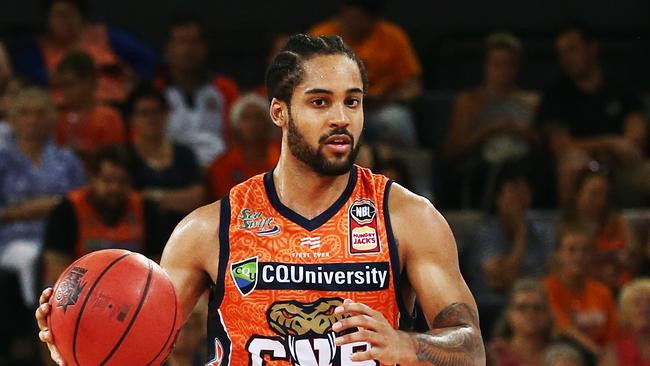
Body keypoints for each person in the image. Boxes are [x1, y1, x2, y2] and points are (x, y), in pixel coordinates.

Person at [37, 34, 485, 365]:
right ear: (279, 111)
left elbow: (471, 349)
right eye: (319, 102)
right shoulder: (209, 228)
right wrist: (80, 340)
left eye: (353, 102)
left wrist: (406, 345)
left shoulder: (406, 217)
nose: (341, 118)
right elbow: (139, 342)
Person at [536, 24, 649, 208]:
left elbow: (636, 136)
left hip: (619, 166)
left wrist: (618, 150)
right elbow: (559, 145)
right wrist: (609, 143)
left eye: (572, 49)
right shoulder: (555, 95)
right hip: (583, 167)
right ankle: (572, 230)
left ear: (592, 48)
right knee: (571, 164)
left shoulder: (620, 88)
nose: (566, 58)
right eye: (562, 53)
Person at [0, 87, 85, 306]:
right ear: (13, 119)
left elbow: (82, 202)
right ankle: (39, 317)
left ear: (50, 118)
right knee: (34, 257)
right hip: (14, 239)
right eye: (25, 113)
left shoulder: (66, 159)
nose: (32, 120)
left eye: (39, 113)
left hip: (62, 236)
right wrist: (38, 208)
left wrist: (55, 207)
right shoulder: (3, 159)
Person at [40, 144, 163, 288]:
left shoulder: (146, 209)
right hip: (79, 293)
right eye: (107, 181)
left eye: (122, 182)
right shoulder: (66, 210)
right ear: (92, 178)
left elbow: (158, 268)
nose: (114, 188)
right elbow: (56, 269)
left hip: (133, 292)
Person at [309, 0, 422, 146]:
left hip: (380, 108)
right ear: (345, 8)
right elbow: (307, 82)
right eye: (361, 13)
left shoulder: (393, 36)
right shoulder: (321, 36)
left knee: (397, 119)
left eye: (371, 15)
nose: (366, 22)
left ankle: (399, 166)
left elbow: (413, 86)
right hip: (335, 106)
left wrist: (389, 97)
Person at [465, 163, 554, 339]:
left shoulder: (542, 232)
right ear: (498, 198)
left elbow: (551, 275)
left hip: (535, 304)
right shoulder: (486, 234)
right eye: (514, 190)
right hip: (492, 309)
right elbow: (501, 281)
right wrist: (521, 232)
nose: (520, 198)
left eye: (525, 191)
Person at [10, 0, 158, 103]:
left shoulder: (106, 36)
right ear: (48, 19)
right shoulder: (38, 48)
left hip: (112, 104)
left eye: (69, 14)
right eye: (57, 15)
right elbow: (22, 72)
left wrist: (135, 79)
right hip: (61, 112)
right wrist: (47, 78)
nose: (64, 21)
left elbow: (148, 59)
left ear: (80, 15)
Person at [125, 83, 206, 244]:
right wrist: (175, 198)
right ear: (131, 119)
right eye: (144, 113)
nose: (151, 119)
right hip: (137, 241)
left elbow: (198, 198)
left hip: (182, 238)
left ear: (166, 114)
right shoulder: (124, 156)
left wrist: (152, 197)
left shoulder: (184, 155)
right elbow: (124, 201)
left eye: (156, 112)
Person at [155, 17, 239, 167]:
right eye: (181, 42)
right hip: (170, 169)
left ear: (205, 47)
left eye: (194, 42)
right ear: (168, 48)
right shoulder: (155, 90)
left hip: (219, 168)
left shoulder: (225, 89)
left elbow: (238, 137)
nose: (188, 50)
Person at [543, 222, 618, 357]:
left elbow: (612, 339)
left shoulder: (602, 292)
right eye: (571, 250)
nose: (579, 257)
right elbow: (565, 332)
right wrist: (601, 357)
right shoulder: (546, 290)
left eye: (585, 250)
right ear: (558, 254)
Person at [563, 168, 638, 293]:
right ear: (578, 194)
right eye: (593, 194)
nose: (599, 201)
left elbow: (634, 257)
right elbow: (562, 266)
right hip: (583, 290)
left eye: (603, 194)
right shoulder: (566, 227)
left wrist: (625, 261)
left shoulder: (618, 222)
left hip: (621, 287)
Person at [53, 51, 126, 163]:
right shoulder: (57, 119)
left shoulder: (109, 118)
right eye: (61, 86)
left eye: (69, 84)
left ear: (89, 82)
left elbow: (114, 161)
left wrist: (85, 155)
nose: (64, 92)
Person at [207, 93, 280, 199]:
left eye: (258, 117)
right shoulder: (222, 165)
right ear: (235, 124)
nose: (253, 123)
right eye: (246, 118)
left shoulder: (282, 159)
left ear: (269, 123)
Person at [488, 278, 554, 366]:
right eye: (522, 308)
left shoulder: (561, 353)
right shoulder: (494, 353)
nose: (530, 314)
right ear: (509, 314)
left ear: (547, 314)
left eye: (537, 308)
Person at [599, 278, 650, 366]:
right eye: (637, 303)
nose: (645, 307)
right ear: (625, 312)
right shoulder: (615, 352)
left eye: (649, 302)